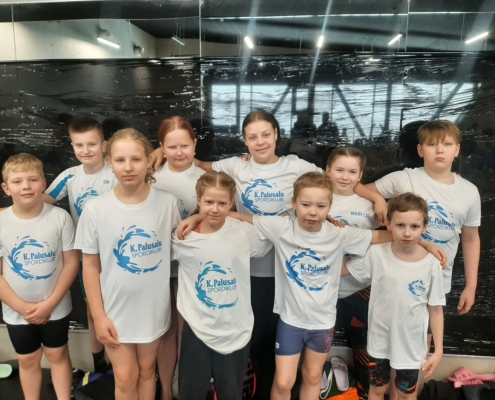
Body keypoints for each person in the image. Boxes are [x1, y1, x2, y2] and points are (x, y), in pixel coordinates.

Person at [180, 172, 445, 400]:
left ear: (329, 207)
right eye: (306, 205)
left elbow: (387, 234)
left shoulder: (340, 234)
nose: (312, 212)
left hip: (322, 322)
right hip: (291, 321)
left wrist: (424, 242)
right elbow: (236, 215)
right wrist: (198, 217)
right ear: (294, 203)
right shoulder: (282, 227)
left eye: (320, 206)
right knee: (283, 382)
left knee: (312, 376)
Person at [154, 109, 323, 400]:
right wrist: (161, 150)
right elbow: (197, 165)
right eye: (252, 137)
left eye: (266, 134)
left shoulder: (295, 166)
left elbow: (330, 186)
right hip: (249, 273)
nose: (260, 142)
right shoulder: (235, 166)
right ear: (244, 141)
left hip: (287, 271)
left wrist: (329, 214)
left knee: (272, 348)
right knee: (248, 349)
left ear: (276, 134)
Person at [74, 128, 181, 400]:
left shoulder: (167, 203)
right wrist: (98, 316)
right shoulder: (96, 208)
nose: (128, 167)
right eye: (120, 160)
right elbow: (90, 266)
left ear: (148, 161)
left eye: (135, 159)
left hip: (153, 310)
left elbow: (180, 248)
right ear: (110, 162)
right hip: (114, 311)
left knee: (147, 371)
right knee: (124, 376)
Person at [356, 120, 481, 315]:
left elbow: (471, 239)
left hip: (437, 281)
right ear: (420, 150)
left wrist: (471, 286)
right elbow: (356, 189)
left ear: (457, 150)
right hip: (395, 276)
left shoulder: (469, 191)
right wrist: (378, 199)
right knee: (386, 328)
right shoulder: (404, 179)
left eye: (447, 144)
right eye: (432, 144)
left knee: (428, 332)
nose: (440, 150)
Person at [172, 171, 272, 400]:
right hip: (197, 329)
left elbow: (277, 230)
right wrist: (196, 218)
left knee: (231, 394)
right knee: (190, 394)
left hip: (235, 329)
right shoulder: (183, 237)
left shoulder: (244, 233)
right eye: (208, 202)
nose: (215, 209)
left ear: (231, 203)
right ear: (198, 200)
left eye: (222, 203)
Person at [342, 193, 445, 400]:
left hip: (410, 346)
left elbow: (435, 310)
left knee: (406, 394)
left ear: (424, 227)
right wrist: (323, 246)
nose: (407, 233)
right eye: (400, 225)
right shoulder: (377, 254)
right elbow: (343, 270)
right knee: (377, 389)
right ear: (388, 224)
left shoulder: (431, 264)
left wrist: (438, 350)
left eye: (414, 227)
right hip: (379, 341)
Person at [0, 153, 79, 400]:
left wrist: (49, 304)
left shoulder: (60, 217)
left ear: (43, 184)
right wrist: (21, 307)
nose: (26, 186)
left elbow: (71, 263)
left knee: (57, 354)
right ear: (6, 188)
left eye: (33, 179)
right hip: (16, 310)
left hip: (55, 306)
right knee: (27, 359)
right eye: (17, 181)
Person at [43, 117, 118, 373]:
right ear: (72, 146)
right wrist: (8, 211)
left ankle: (125, 363)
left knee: (119, 308)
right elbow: (39, 201)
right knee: (93, 309)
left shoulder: (117, 172)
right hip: (88, 258)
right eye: (79, 145)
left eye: (92, 144)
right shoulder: (70, 176)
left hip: (118, 256)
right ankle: (99, 364)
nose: (86, 150)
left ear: (104, 145)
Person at [153, 116, 206, 400]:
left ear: (195, 144)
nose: (179, 152)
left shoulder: (204, 179)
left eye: (185, 145)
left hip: (193, 265)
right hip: (159, 264)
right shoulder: (152, 176)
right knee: (166, 328)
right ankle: (164, 390)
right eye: (171, 147)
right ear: (161, 147)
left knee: (187, 326)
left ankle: (182, 385)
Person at [325, 147, 379, 400]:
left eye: (352, 171)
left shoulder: (371, 206)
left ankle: (367, 392)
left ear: (360, 175)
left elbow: (384, 243)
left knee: (364, 344)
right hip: (324, 288)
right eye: (339, 170)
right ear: (327, 170)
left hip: (360, 288)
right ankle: (317, 383)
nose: (345, 176)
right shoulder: (315, 198)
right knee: (317, 343)